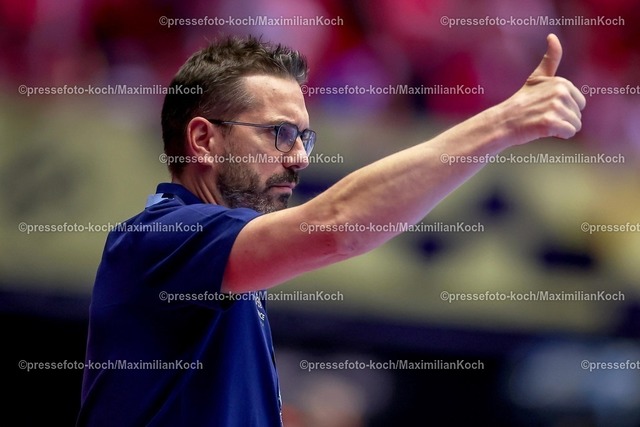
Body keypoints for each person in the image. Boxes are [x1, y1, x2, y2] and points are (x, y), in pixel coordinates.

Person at [77, 34, 585, 426]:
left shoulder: (219, 263)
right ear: (204, 140)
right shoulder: (160, 238)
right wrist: (501, 124)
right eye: (280, 133)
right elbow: (339, 227)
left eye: (305, 137)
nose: (299, 158)